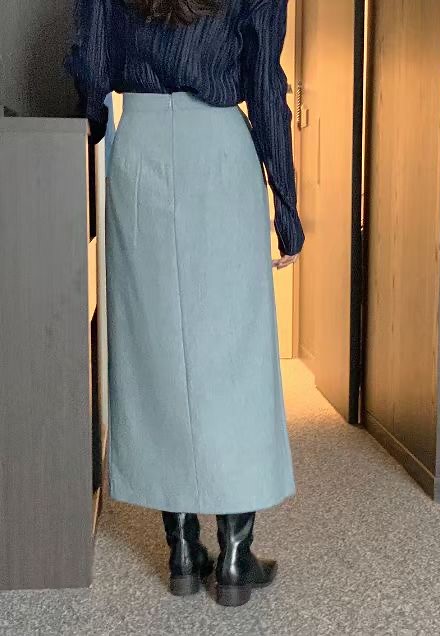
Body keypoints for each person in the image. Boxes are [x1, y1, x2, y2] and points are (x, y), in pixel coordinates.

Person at [65, 0, 305, 607]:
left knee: (153, 351)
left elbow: (91, 66)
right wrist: (286, 201)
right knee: (234, 356)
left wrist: (91, 132)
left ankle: (181, 549)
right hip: (219, 150)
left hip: (140, 148)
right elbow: (264, 82)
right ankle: (234, 557)